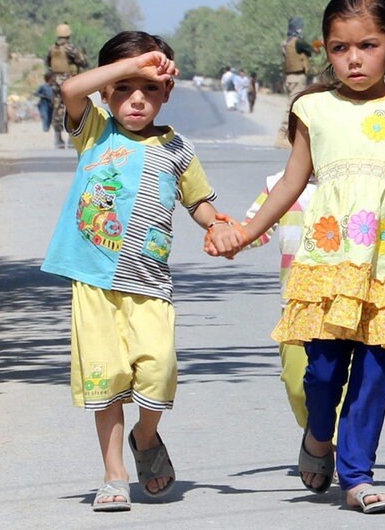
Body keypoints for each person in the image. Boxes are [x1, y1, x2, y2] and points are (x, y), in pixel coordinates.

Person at [215, 0, 385, 514]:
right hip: (329, 263)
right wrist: (245, 232)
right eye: (339, 48)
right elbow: (291, 182)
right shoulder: (312, 109)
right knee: (323, 371)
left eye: (368, 45)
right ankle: (318, 435)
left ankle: (356, 473)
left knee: (378, 372)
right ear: (325, 49)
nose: (354, 59)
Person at [39, 31, 242, 512]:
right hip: (95, 281)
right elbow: (70, 90)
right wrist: (137, 67)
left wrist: (219, 228)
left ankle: (146, 436)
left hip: (150, 284)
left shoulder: (178, 150)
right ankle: (113, 476)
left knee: (159, 373)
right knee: (105, 378)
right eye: (125, 87)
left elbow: (201, 203)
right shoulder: (94, 130)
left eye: (151, 88)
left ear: (167, 92)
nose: (137, 99)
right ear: (107, 91)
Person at [241, 169, 318, 429]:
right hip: (295, 304)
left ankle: (334, 447)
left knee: (340, 382)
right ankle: (316, 436)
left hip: (343, 302)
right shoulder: (279, 184)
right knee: (296, 384)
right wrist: (228, 235)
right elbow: (254, 229)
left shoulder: (351, 178)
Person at [46, 23, 89, 149]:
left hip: (55, 81)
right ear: (68, 34)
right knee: (72, 107)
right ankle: (71, 137)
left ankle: (58, 138)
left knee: (56, 107)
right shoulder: (70, 48)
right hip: (69, 81)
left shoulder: (52, 48)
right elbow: (83, 62)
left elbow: (48, 64)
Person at [282, 17, 316, 96]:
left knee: (292, 101)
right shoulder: (298, 42)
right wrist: (318, 43)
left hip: (289, 77)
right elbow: (311, 49)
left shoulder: (285, 43)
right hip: (298, 77)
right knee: (296, 103)